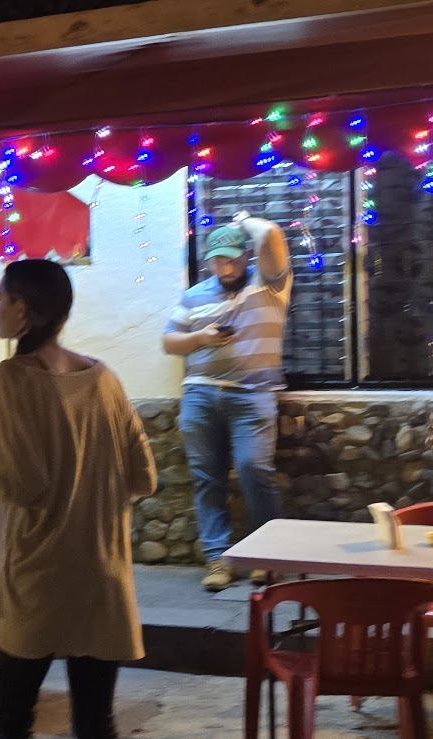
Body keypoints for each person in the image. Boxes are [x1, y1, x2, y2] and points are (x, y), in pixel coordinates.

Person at [0, 259, 156, 739]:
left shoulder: (14, 377)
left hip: (41, 577)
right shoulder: (104, 377)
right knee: (95, 723)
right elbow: (144, 478)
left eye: (1, 297)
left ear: (23, 308)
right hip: (103, 574)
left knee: (13, 721)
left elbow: (20, 487)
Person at [161, 212, 290, 592]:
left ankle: (265, 557)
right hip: (200, 393)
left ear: (247, 255)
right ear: (209, 261)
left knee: (254, 468)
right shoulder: (194, 295)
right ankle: (218, 558)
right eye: (218, 261)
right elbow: (169, 342)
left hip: (253, 393)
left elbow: (271, 233)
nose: (227, 268)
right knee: (207, 477)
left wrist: (245, 221)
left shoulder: (270, 283)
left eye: (233, 259)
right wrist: (200, 338)